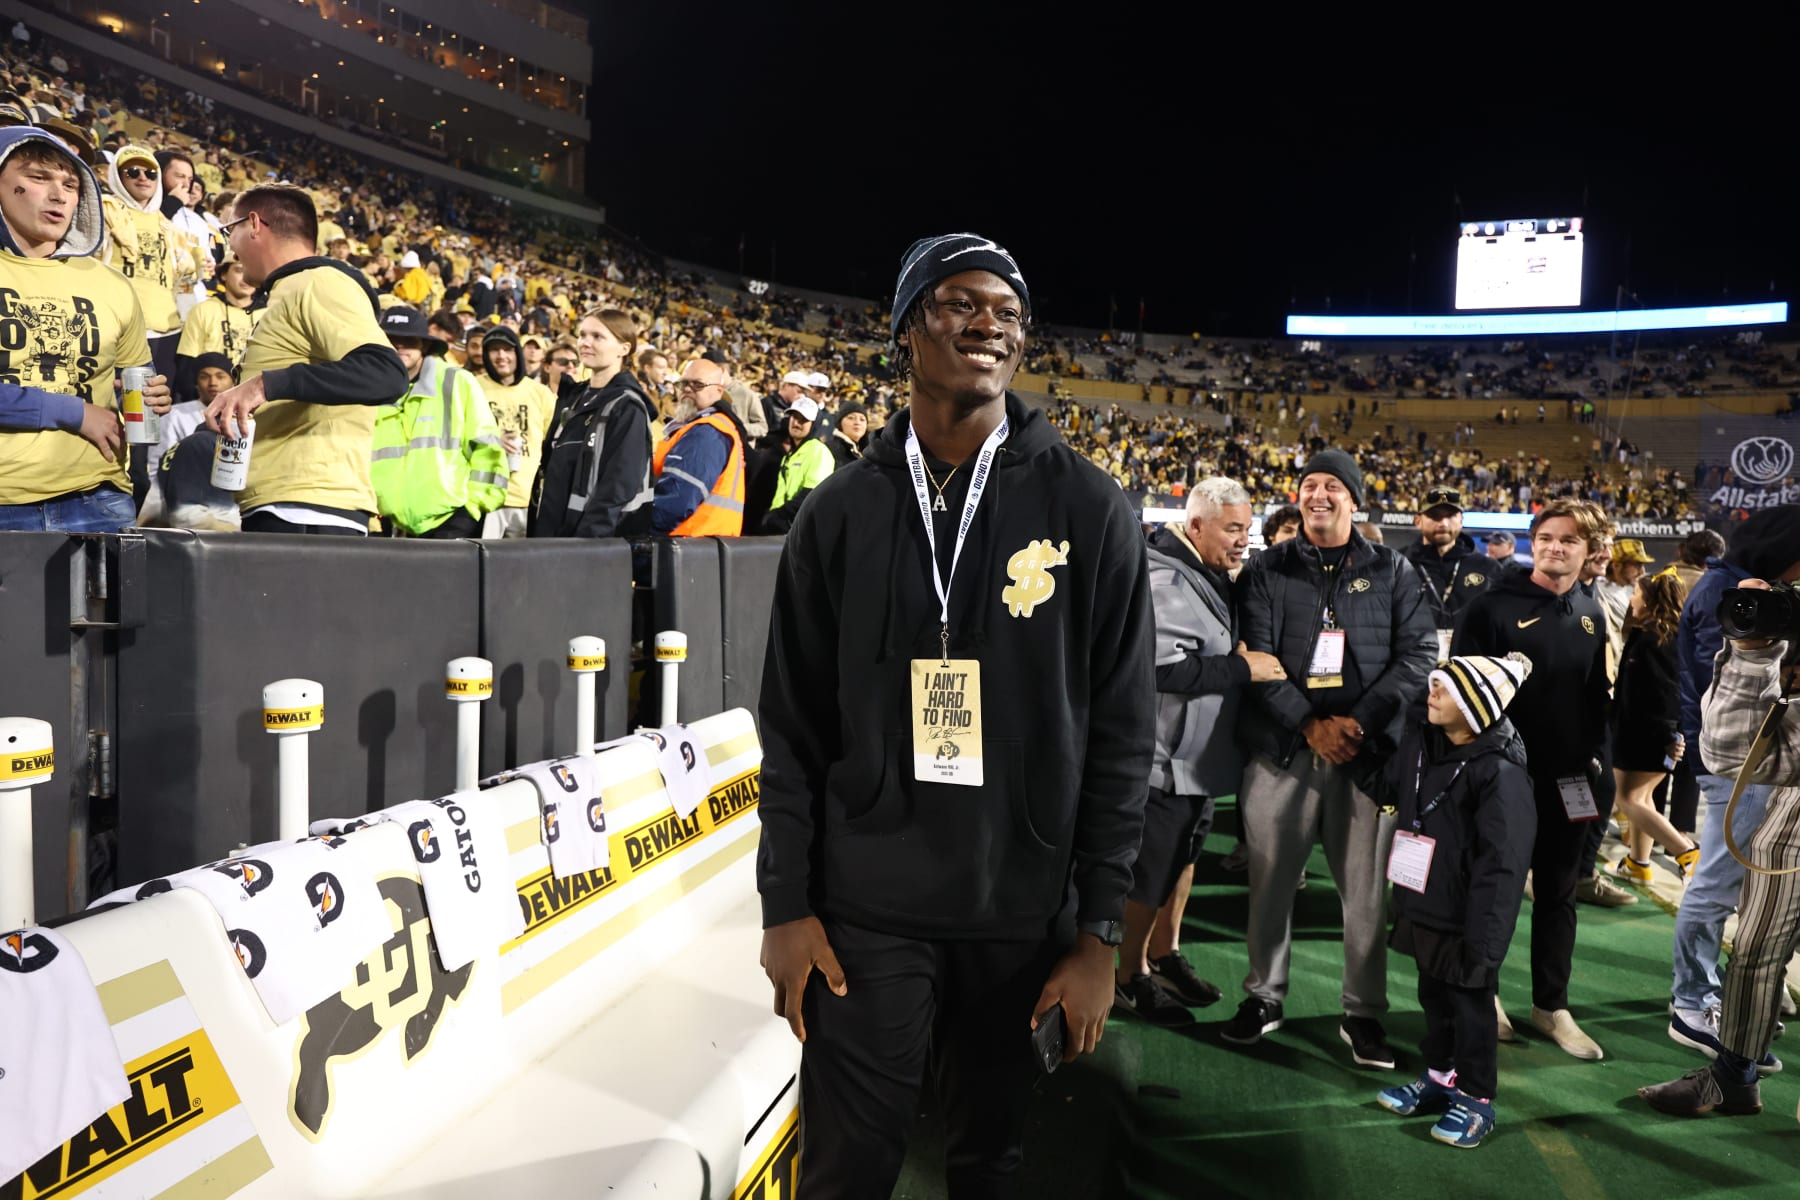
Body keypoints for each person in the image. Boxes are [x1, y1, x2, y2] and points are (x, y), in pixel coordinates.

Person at [756, 233, 1153, 1194]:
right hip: (865, 910)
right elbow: (793, 725)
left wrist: (1100, 935)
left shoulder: (1093, 509)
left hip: (1021, 911)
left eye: (1007, 313)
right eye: (957, 303)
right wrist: (786, 905)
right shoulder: (840, 509)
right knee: (846, 1168)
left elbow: (1122, 738)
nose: (987, 324)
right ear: (905, 329)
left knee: (991, 1164)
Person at [1225, 448, 1436, 1070]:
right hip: (1283, 748)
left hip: (1366, 753)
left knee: (1367, 894)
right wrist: (1310, 723)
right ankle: (1264, 996)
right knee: (1268, 882)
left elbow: (1419, 653)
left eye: (1332, 486)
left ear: (1354, 499)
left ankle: (1363, 1012)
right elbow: (1256, 656)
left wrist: (1357, 723)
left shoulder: (1392, 567)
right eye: (1308, 485)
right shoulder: (1266, 568)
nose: (1318, 494)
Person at [1115, 477, 1281, 1027]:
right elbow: (1158, 668)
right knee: (1150, 873)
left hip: (1196, 761)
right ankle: (1129, 973)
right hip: (1164, 759)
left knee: (1183, 862)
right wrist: (1242, 667)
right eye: (1233, 529)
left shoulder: (1205, 573)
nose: (1244, 540)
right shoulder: (1165, 574)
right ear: (1195, 526)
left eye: (1248, 529)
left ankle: (1165, 952)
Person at [1452, 498, 1613, 1058]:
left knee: (1559, 896)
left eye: (1568, 540)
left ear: (1588, 551)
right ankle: (1484, 994)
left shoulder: (1591, 610)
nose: (1554, 547)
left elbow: (1596, 699)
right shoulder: (1490, 608)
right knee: (1492, 892)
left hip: (1568, 782)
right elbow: (1462, 700)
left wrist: (1594, 765)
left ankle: (1552, 1006)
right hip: (1503, 782)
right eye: (1546, 537)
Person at [1637, 569, 1800, 1118]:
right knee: (1755, 952)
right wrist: (1755, 654)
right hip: (1791, 816)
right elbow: (1735, 754)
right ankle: (1733, 1074)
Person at [1376, 653, 1535, 1150]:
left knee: (1471, 1009)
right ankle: (1440, 1078)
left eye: (1446, 688)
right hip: (1424, 902)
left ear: (1476, 705)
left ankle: (1477, 1099)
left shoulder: (1500, 772)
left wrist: (1486, 940)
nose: (1433, 692)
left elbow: (1504, 865)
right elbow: (1388, 787)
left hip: (1467, 919)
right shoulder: (1424, 743)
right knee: (1433, 999)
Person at [1666, 506, 1800, 1064]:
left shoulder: (1748, 588)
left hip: (1753, 755)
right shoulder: (1736, 597)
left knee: (1741, 880)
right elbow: (1724, 696)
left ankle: (1730, 987)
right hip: (1738, 759)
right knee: (1720, 880)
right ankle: (1692, 1001)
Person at [202, 185, 408, 534]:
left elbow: (387, 373)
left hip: (305, 511)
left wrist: (266, 384)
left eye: (229, 231)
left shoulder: (317, 282)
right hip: (288, 505)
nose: (229, 249)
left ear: (254, 224)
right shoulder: (292, 289)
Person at [0, 125, 170, 532]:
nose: (59, 194)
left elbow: (137, 381)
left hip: (99, 498)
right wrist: (73, 412)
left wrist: (151, 399)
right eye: (38, 178)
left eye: (71, 185)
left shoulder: (111, 283)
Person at [370, 307, 506, 538]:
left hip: (451, 523)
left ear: (424, 344)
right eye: (392, 340)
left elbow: (487, 449)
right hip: (386, 527)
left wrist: (471, 509)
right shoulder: (368, 391)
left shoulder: (457, 382)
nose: (400, 346)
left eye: (409, 340)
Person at [1604, 573, 1700, 883]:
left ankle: (1685, 851)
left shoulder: (1651, 642)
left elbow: (1660, 695)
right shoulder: (1669, 636)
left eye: (1635, 593)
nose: (1632, 599)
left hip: (1646, 736)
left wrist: (1668, 735)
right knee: (1643, 799)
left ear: (1650, 601)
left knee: (1627, 799)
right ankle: (1638, 863)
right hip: (1660, 733)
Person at [530, 309, 655, 538]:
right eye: (582, 335)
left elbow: (617, 487)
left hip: (583, 545)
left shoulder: (627, 407)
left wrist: (587, 545)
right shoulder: (575, 398)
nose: (585, 343)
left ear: (624, 349)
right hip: (549, 536)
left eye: (598, 337)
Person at [639, 357, 746, 536]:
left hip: (687, 546)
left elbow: (675, 503)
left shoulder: (707, 432)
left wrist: (636, 529)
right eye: (683, 384)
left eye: (698, 384)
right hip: (698, 548)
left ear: (719, 392)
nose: (688, 389)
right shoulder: (705, 428)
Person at [473, 325, 557, 537]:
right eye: (494, 350)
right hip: (485, 498)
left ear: (517, 353)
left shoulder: (540, 393)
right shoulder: (472, 387)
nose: (501, 356)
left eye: (507, 350)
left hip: (527, 498)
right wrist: (492, 440)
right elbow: (459, 433)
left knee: (520, 567)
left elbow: (553, 442)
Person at [1403, 486, 1496, 661]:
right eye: (1434, 516)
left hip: (1469, 670)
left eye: (1451, 516)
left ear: (1461, 520)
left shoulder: (1488, 568)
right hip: (1412, 668)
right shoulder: (1399, 565)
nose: (1443, 523)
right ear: (1418, 521)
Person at [758, 395, 833, 534]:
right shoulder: (791, 454)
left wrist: (778, 515)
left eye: (803, 419)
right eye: (794, 417)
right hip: (783, 527)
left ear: (814, 424)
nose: (796, 423)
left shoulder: (818, 451)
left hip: (797, 528)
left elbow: (812, 495)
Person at [826, 400, 868, 468]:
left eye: (862, 419)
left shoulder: (866, 451)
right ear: (840, 423)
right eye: (851, 418)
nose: (857, 423)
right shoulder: (829, 449)